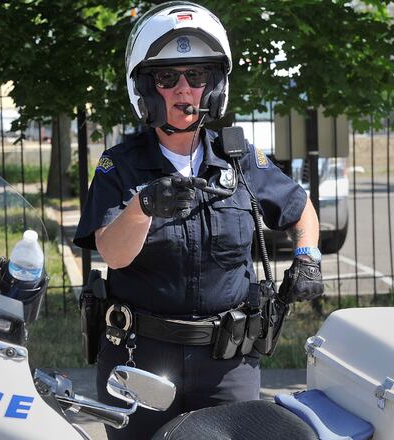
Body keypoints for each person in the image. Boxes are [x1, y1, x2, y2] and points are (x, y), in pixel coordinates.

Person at [73, 2, 324, 439]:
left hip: (228, 361)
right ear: (148, 90)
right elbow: (111, 252)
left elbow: (300, 209)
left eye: (197, 76)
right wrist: (144, 207)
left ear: (214, 87)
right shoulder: (120, 165)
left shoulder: (240, 157)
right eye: (168, 78)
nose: (183, 89)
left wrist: (307, 255)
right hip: (140, 356)